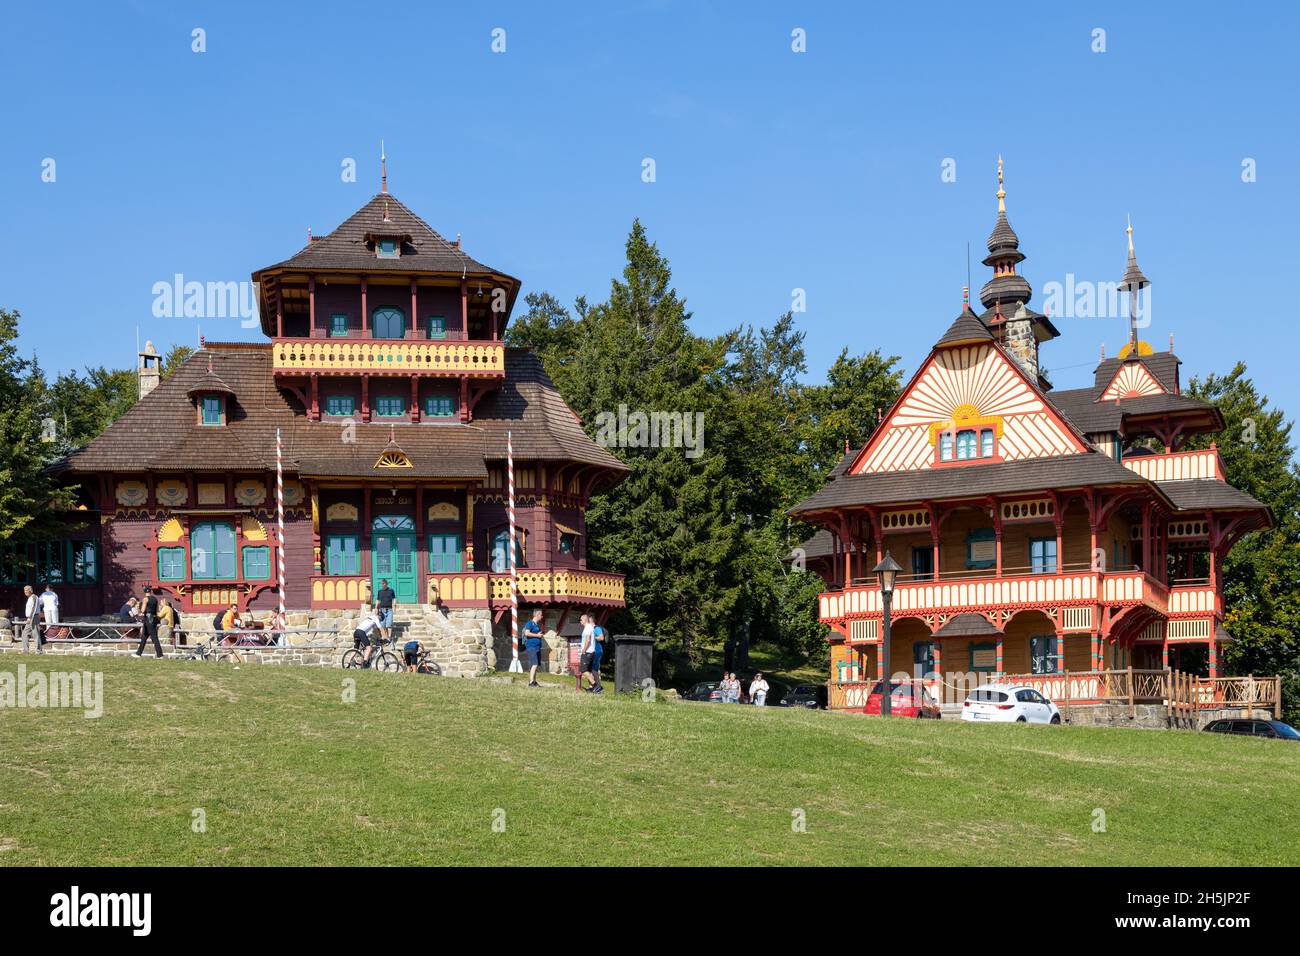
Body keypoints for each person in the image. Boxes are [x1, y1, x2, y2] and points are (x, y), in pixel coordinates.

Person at [134, 586, 163, 659]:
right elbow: (157, 610)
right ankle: (138, 653)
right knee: (144, 636)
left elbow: (143, 610)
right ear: (150, 591)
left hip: (148, 619)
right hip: (154, 618)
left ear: (145, 592)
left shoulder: (145, 599)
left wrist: (139, 610)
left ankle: (160, 655)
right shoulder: (155, 599)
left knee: (154, 637)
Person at [522, 608, 544, 687]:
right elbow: (527, 633)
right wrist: (537, 635)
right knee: (534, 664)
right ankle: (531, 682)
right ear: (537, 615)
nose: (542, 616)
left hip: (537, 647)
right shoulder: (530, 623)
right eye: (541, 615)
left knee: (536, 664)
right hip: (531, 646)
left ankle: (534, 681)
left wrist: (538, 634)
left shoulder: (536, 625)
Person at [21, 585, 42, 654]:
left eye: (27, 590)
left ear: (30, 590)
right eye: (24, 591)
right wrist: (28, 618)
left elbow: (34, 608)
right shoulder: (29, 598)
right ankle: (26, 651)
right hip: (29, 618)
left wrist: (30, 618)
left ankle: (38, 651)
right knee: (24, 634)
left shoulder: (34, 597)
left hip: (34, 618)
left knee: (35, 634)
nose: (25, 592)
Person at [578, 613, 597, 691]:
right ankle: (591, 688)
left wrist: (584, 649)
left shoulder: (588, 628)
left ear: (585, 620)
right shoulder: (589, 627)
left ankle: (596, 686)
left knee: (583, 670)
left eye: (581, 620)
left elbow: (588, 639)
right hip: (591, 652)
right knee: (589, 671)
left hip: (587, 652)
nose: (580, 621)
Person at [588, 619, 605, 695]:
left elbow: (601, 638)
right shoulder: (591, 629)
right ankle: (592, 687)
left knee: (594, 669)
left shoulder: (596, 628)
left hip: (597, 651)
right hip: (593, 651)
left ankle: (598, 688)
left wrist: (592, 638)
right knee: (590, 670)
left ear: (591, 622)